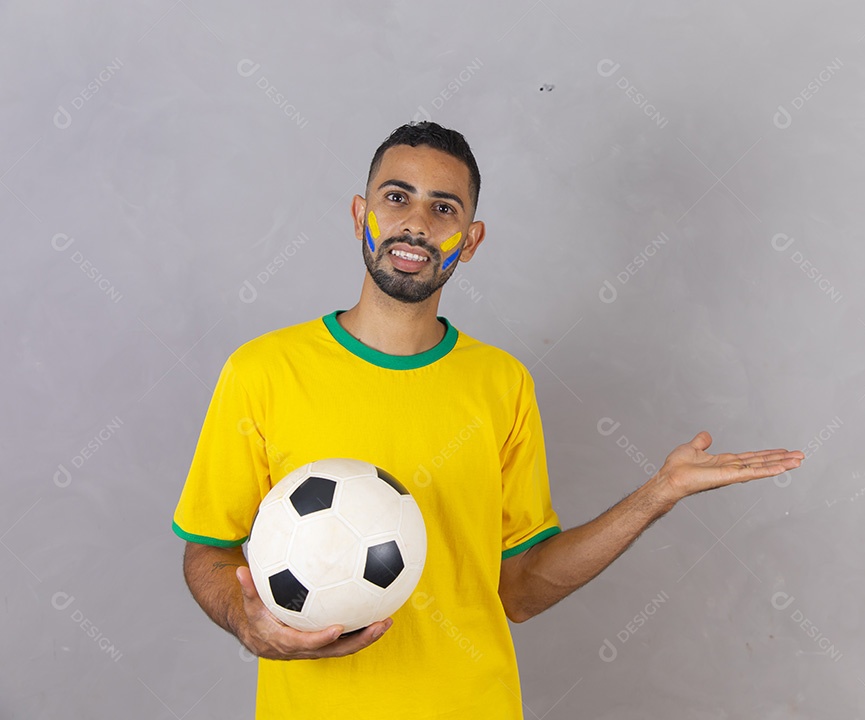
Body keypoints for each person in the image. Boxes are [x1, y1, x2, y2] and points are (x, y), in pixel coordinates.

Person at [172, 121, 805, 719]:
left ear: (470, 241)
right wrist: (246, 621)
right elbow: (207, 547)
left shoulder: (502, 384)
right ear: (361, 215)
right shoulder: (262, 372)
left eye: (444, 208)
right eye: (397, 197)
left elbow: (521, 589)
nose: (416, 223)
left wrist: (657, 494)